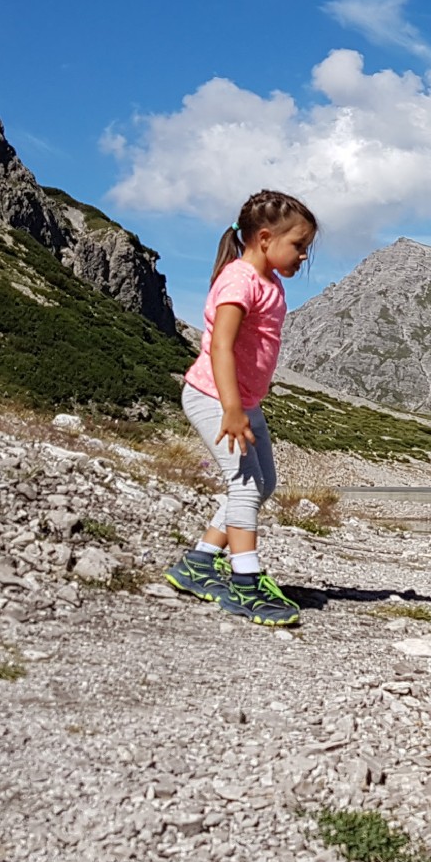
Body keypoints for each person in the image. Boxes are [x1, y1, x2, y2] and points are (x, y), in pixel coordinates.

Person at [162, 190, 317, 626]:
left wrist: (243, 406)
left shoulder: (272, 283)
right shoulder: (238, 281)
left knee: (262, 484)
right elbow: (221, 347)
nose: (303, 256)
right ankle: (245, 583)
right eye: (299, 245)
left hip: (244, 404)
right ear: (265, 239)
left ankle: (200, 561)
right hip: (216, 398)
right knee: (245, 486)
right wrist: (231, 407)